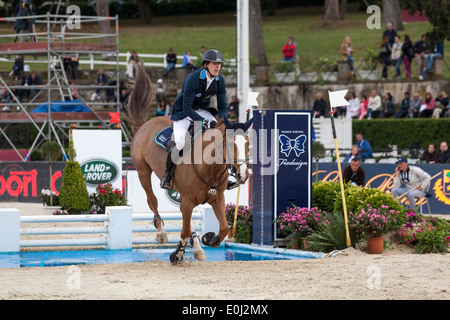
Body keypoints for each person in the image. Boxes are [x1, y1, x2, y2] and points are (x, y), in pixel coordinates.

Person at [160, 49, 229, 190]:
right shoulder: (193, 78)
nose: (217, 67)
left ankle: (229, 175)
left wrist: (224, 122)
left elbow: (223, 106)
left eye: (219, 64)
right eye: (214, 64)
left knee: (224, 135)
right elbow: (187, 107)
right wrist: (202, 122)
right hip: (184, 113)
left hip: (203, 111)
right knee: (179, 143)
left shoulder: (219, 80)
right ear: (206, 65)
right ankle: (167, 176)